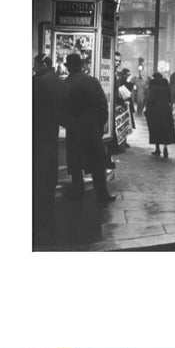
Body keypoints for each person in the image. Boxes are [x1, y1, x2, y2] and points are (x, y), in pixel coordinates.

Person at [63, 53, 116, 204]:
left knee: (75, 162)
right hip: (91, 127)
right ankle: (102, 194)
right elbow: (102, 105)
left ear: (68, 68)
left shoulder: (65, 84)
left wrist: (68, 122)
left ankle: (77, 192)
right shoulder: (91, 81)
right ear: (81, 66)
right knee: (97, 164)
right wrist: (98, 125)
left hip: (73, 128)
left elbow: (61, 109)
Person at [32, 54, 69, 247]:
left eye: (34, 65)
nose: (33, 68)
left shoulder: (37, 83)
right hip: (51, 136)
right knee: (47, 178)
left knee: (37, 178)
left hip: (37, 135)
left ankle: (39, 223)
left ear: (41, 64)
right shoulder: (60, 83)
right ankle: (48, 220)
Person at [145, 72, 175, 157]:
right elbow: (170, 99)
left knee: (156, 130)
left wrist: (147, 107)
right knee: (166, 129)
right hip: (166, 110)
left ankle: (157, 149)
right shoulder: (166, 87)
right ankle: (165, 149)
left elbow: (150, 100)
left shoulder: (153, 87)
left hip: (155, 111)